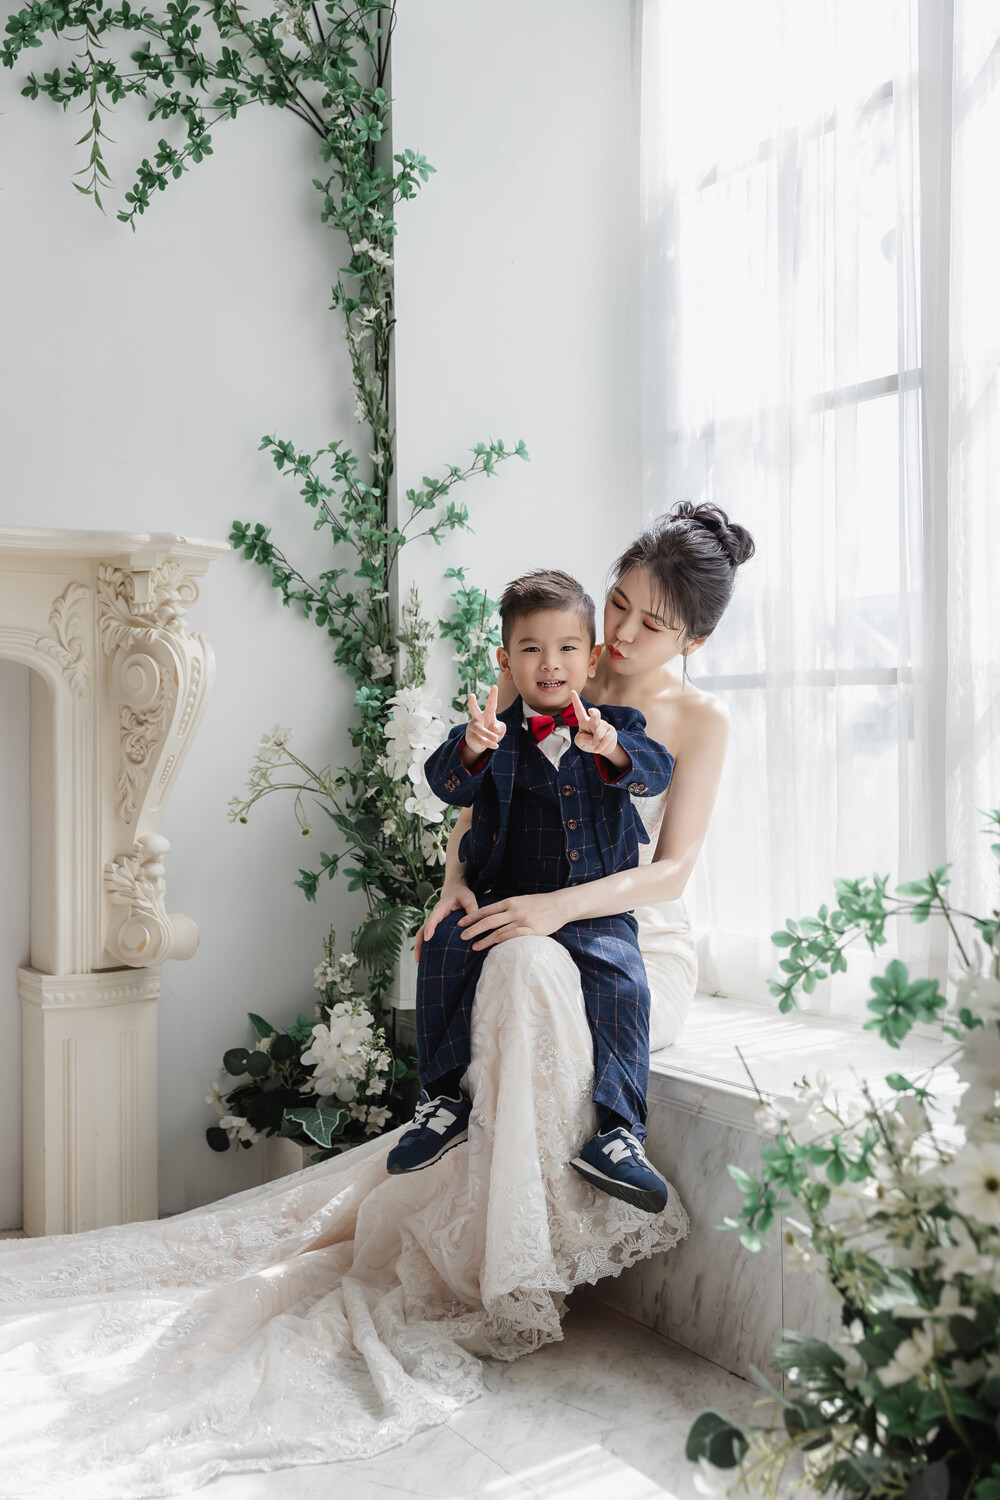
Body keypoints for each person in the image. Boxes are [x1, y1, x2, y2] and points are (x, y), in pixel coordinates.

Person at [0, 502, 752, 1500]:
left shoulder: (697, 722)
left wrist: (551, 910)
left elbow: (671, 871)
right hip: (521, 905)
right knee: (502, 963)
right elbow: (476, 802)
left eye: (649, 624)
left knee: (531, 964)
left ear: (693, 640)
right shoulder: (550, 654)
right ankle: (482, 1225)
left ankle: (582, 1173)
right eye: (617, 602)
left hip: (629, 932)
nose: (618, 631)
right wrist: (456, 886)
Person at [388, 570, 675, 1212]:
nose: (550, 663)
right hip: (505, 899)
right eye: (531, 649)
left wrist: (614, 750)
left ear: (592, 658)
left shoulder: (618, 725)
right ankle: (442, 1101)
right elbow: (446, 786)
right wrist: (470, 747)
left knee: (624, 985)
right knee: (442, 946)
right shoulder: (493, 732)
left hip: (593, 910)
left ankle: (620, 1134)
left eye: (567, 648)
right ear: (505, 661)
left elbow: (656, 774)